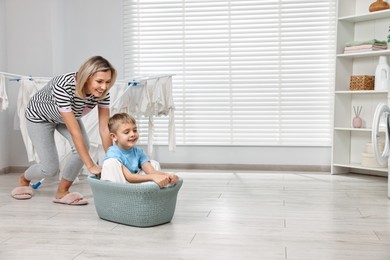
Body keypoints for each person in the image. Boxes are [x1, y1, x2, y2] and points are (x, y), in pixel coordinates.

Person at [11, 56, 117, 205]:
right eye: (99, 81)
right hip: (40, 117)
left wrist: (113, 159)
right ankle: (24, 178)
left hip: (66, 116)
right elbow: (75, 133)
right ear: (86, 77)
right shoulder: (64, 85)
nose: (104, 87)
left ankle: (62, 192)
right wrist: (91, 166)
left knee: (83, 149)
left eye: (107, 82)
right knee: (50, 169)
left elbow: (104, 128)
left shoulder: (103, 93)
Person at [101, 112, 179, 187]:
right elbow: (129, 177)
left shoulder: (138, 152)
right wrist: (153, 177)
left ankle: (150, 194)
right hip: (119, 185)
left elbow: (151, 172)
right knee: (111, 162)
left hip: (131, 185)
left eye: (135, 130)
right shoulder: (113, 152)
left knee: (153, 163)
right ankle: (116, 197)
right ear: (114, 137)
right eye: (126, 132)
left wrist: (168, 176)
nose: (132, 134)